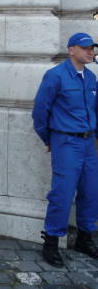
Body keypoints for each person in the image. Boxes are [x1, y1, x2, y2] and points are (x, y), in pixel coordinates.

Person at [32, 32, 98, 267]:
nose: (91, 51)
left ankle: (84, 238)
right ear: (71, 50)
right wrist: (49, 139)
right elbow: (40, 112)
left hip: (89, 143)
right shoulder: (56, 76)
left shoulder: (91, 78)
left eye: (92, 48)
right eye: (85, 47)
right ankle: (51, 242)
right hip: (66, 142)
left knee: (91, 191)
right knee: (62, 193)